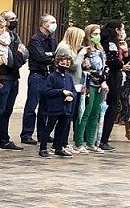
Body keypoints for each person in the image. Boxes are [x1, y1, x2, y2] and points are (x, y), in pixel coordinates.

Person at [0, 10, 27, 152]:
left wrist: (19, 57)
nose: (14, 21)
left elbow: (23, 53)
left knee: (8, 110)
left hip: (14, 75)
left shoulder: (15, 36)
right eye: (10, 19)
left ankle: (4, 139)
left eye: (15, 18)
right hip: (2, 76)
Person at [20, 13, 57, 144]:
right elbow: (41, 57)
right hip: (37, 75)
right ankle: (26, 134)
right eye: (52, 22)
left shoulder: (52, 40)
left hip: (48, 76)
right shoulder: (35, 39)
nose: (54, 25)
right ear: (44, 24)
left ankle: (43, 134)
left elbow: (55, 57)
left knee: (45, 107)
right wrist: (51, 57)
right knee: (32, 105)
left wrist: (51, 57)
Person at [54, 26, 88, 154]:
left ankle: (63, 143)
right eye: (80, 39)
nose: (81, 42)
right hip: (67, 85)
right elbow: (72, 66)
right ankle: (61, 143)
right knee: (65, 116)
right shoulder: (65, 48)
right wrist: (80, 55)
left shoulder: (72, 49)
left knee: (70, 115)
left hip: (75, 84)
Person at [39, 51, 78, 159]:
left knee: (62, 128)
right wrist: (61, 92)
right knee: (49, 127)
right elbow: (47, 91)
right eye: (63, 64)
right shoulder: (52, 77)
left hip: (66, 107)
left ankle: (58, 147)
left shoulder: (69, 78)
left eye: (67, 64)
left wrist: (72, 96)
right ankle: (43, 147)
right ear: (57, 63)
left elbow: (73, 91)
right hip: (55, 107)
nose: (65, 66)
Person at [97, 20, 128, 152]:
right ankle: (103, 138)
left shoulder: (114, 43)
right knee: (111, 106)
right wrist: (122, 65)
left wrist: (125, 54)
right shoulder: (110, 43)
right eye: (122, 29)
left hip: (114, 76)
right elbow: (113, 61)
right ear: (116, 30)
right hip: (111, 77)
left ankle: (103, 137)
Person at [77, 24, 108, 152]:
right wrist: (98, 79)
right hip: (88, 83)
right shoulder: (84, 50)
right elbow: (85, 68)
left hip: (100, 84)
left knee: (96, 113)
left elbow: (105, 67)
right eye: (94, 34)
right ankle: (79, 142)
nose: (97, 37)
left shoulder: (100, 50)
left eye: (99, 34)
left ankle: (91, 141)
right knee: (85, 112)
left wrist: (104, 81)